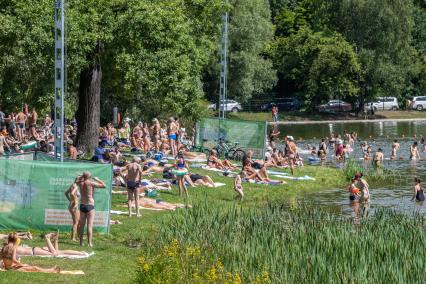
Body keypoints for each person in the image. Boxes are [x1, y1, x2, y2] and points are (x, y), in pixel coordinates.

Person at [77, 172, 106, 247]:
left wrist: (81, 177)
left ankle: (81, 242)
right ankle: (89, 243)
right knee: (89, 225)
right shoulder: (91, 183)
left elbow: (76, 181)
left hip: (82, 205)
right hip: (89, 205)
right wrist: (98, 179)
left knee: (82, 225)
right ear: (90, 176)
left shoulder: (80, 183)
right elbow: (104, 185)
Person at [65, 177, 81, 241]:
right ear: (77, 180)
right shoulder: (75, 186)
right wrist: (76, 202)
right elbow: (71, 193)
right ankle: (73, 238)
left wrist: (70, 200)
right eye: (80, 179)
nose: (81, 180)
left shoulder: (73, 185)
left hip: (72, 205)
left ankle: (78, 236)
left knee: (78, 222)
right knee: (76, 222)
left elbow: (66, 193)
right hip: (74, 206)